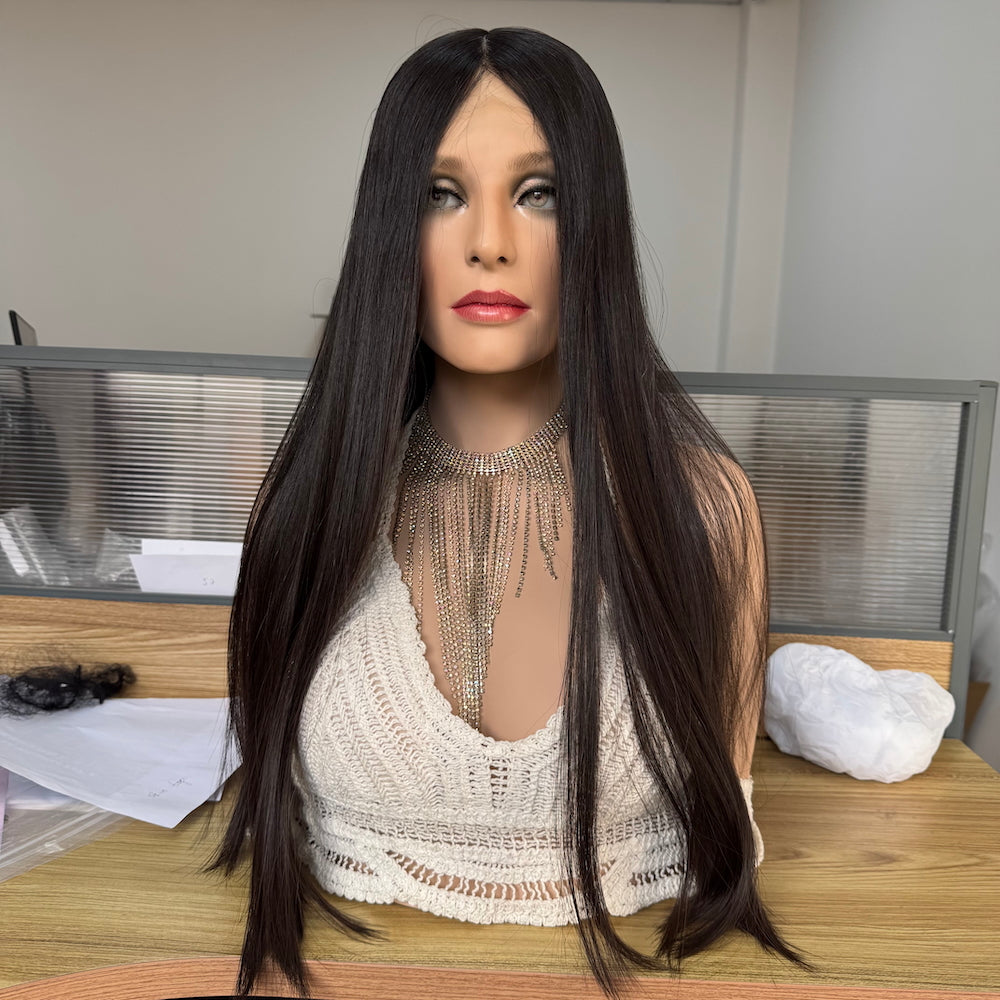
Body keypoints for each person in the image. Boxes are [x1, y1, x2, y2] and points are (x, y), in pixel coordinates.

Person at [213, 25, 808, 998]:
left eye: (540, 193)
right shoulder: (307, 502)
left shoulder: (703, 508)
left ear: (595, 224)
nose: (488, 241)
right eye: (439, 194)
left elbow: (724, 825)